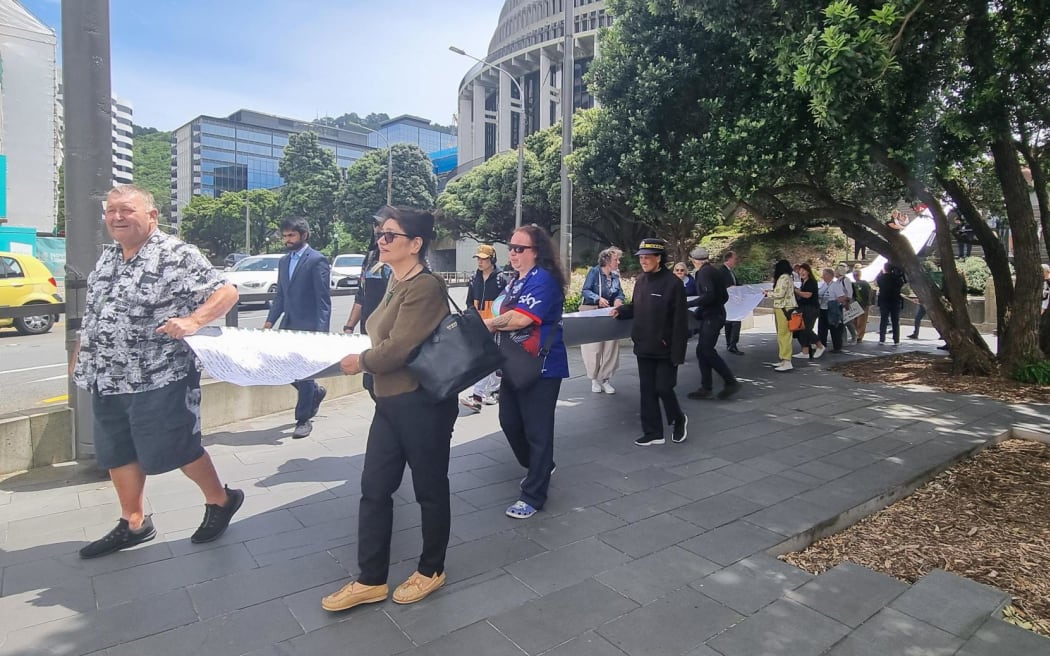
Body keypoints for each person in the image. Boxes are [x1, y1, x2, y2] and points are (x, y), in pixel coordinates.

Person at [72, 185, 243, 559]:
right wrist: (82, 357)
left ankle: (221, 499)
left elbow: (226, 292)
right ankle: (134, 522)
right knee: (117, 450)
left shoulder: (176, 254)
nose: (117, 217)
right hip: (107, 375)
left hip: (159, 373)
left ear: (152, 215)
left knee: (177, 448)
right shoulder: (109, 257)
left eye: (126, 210)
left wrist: (194, 320)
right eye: (111, 210)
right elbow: (96, 312)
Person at [324, 206, 458, 612]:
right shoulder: (394, 282)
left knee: (429, 489)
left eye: (390, 235)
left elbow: (399, 348)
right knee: (375, 489)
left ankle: (431, 569)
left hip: (422, 403)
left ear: (415, 244)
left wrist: (360, 362)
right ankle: (370, 579)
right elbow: (383, 336)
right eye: (380, 234)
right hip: (388, 401)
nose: (381, 241)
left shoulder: (425, 286)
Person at [485, 225, 569, 519]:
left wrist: (488, 324)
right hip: (515, 364)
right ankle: (539, 466)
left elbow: (521, 319)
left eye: (520, 249)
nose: (513, 253)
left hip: (542, 366)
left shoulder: (543, 279)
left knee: (538, 430)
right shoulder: (515, 281)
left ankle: (533, 494)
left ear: (537, 252)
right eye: (511, 247)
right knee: (509, 421)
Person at [613, 238, 689, 445]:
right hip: (643, 345)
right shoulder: (641, 281)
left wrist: (678, 354)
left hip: (665, 349)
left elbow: (680, 322)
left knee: (663, 387)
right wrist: (621, 311)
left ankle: (679, 418)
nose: (643, 261)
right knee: (647, 391)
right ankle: (653, 432)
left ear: (659, 258)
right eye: (641, 258)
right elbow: (636, 306)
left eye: (647, 257)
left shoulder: (674, 284)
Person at [264, 217, 332, 439]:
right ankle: (315, 392)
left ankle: (303, 419)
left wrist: (321, 333)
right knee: (280, 367)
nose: (287, 240)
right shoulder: (284, 261)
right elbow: (280, 296)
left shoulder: (317, 260)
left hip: (309, 327)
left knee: (304, 372)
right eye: (285, 236)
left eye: (291, 235)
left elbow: (323, 301)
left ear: (304, 235)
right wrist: (269, 322)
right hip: (289, 325)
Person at [686, 247, 741, 401]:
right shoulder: (714, 271)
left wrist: (690, 304)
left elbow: (708, 295)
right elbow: (724, 296)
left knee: (706, 350)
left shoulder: (703, 273)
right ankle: (706, 387)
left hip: (712, 316)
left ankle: (729, 381)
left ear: (693, 260)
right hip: (716, 314)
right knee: (702, 351)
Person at [460, 244, 504, 411]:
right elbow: (469, 302)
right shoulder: (474, 278)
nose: (480, 262)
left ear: (492, 260)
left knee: (486, 358)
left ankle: (478, 396)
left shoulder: (501, 279)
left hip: (495, 324)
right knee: (487, 358)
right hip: (478, 324)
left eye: (484, 259)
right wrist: (471, 318)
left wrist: (499, 321)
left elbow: (505, 301)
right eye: (478, 258)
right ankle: (493, 391)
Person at [580, 247, 626, 394]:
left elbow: (620, 293)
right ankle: (594, 379)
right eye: (616, 259)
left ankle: (605, 379)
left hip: (610, 313)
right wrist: (597, 298)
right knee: (593, 348)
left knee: (611, 348)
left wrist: (619, 300)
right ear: (607, 260)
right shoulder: (594, 272)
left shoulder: (615, 276)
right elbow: (585, 290)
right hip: (593, 312)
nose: (618, 262)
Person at [768, 259, 797, 372]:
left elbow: (779, 294)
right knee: (782, 334)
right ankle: (783, 359)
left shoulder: (783, 278)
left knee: (784, 334)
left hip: (783, 308)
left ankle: (787, 360)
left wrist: (768, 293)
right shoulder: (788, 277)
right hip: (785, 308)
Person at [793, 263, 824, 359]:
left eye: (803, 270)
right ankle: (805, 352)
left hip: (811, 309)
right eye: (800, 271)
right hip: (803, 308)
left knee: (806, 329)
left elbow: (808, 295)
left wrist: (796, 291)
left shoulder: (811, 282)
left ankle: (820, 345)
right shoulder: (803, 282)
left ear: (808, 272)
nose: (801, 272)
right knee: (801, 329)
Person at [720, 250, 743, 355]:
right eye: (735, 258)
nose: (736, 261)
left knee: (730, 323)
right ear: (729, 259)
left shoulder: (730, 271)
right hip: (728, 302)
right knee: (734, 322)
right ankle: (732, 344)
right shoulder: (722, 271)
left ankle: (730, 344)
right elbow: (721, 286)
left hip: (733, 302)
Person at [876, 263, 906, 344]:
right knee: (895, 320)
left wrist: (880, 273)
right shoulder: (896, 278)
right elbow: (903, 283)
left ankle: (882, 339)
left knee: (883, 320)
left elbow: (878, 281)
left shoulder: (881, 277)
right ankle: (896, 340)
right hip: (895, 300)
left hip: (884, 300)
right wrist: (899, 273)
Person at [851, 264, 873, 342]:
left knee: (860, 321)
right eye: (854, 275)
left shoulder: (864, 283)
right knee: (855, 320)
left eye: (856, 275)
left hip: (862, 304)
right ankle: (857, 334)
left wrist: (869, 302)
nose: (855, 276)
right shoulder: (853, 284)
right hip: (856, 304)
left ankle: (859, 336)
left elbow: (870, 293)